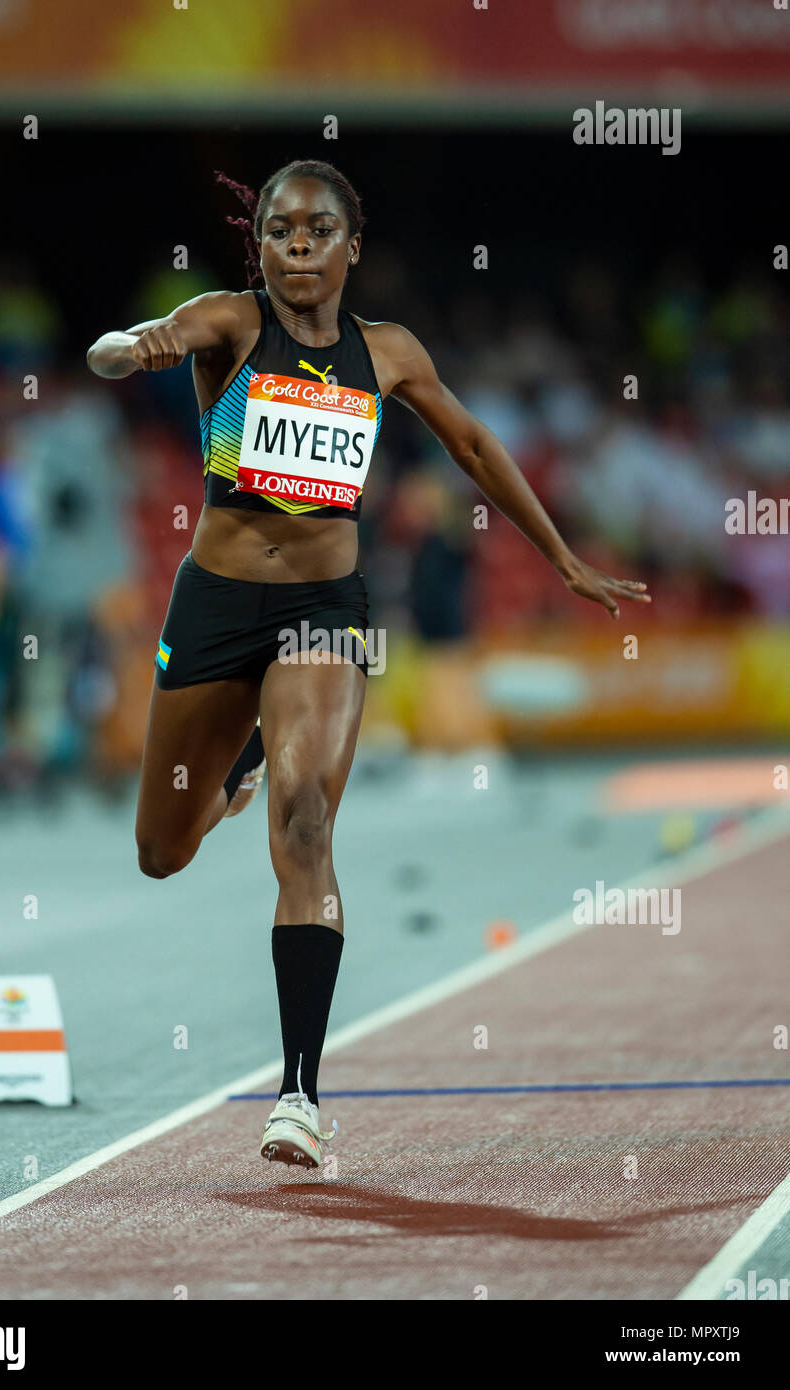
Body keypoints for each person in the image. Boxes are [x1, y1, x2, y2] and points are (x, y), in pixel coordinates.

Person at [86, 159, 651, 1168]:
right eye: (279, 231)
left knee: (306, 818)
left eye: (317, 230)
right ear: (256, 246)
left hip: (325, 611)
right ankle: (235, 769)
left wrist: (561, 558)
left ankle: (299, 1093)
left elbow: (473, 446)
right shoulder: (227, 321)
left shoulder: (385, 353)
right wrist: (138, 346)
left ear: (353, 246)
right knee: (161, 850)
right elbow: (134, 344)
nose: (298, 247)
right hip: (217, 606)